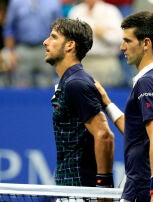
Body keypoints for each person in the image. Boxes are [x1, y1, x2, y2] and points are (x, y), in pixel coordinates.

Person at [95, 11, 153, 202]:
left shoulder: (148, 83)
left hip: (147, 189)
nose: (122, 47)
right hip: (152, 187)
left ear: (146, 43)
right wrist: (107, 104)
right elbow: (137, 133)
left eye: (128, 41)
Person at [43, 18, 115, 187]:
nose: (45, 42)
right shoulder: (70, 82)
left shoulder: (77, 84)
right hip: (69, 186)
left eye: (53, 37)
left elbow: (104, 136)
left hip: (80, 190)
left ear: (70, 45)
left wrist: (103, 186)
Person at [3, 0, 62, 88]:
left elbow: (60, 29)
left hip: (46, 49)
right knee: (22, 88)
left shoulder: (53, 2)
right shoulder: (16, 2)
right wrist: (10, 52)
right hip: (22, 49)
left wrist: (57, 51)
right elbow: (9, 28)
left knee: (46, 87)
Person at [68, 0, 124, 87]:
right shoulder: (76, 11)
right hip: (82, 62)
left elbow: (121, 38)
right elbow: (69, 37)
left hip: (105, 62)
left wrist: (104, 34)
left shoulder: (110, 11)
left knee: (107, 96)